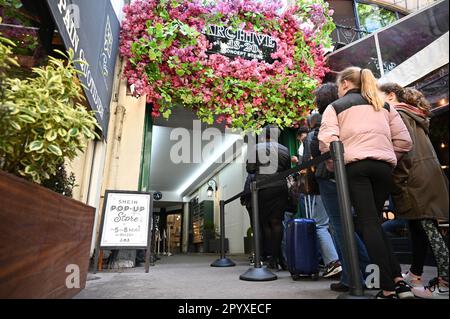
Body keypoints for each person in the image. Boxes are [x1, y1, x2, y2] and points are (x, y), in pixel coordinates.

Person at [318, 67, 414, 299]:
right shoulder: (384, 106)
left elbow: (327, 143)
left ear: (345, 84)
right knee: (374, 223)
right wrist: (385, 154)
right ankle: (399, 281)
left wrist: (334, 167)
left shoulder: (335, 107)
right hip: (383, 168)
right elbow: (404, 141)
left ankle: (388, 288)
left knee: (367, 224)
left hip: (355, 167)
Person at [379, 83, 449, 299]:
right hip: (426, 176)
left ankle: (445, 282)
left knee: (430, 231)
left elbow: (404, 152)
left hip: (414, 179)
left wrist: (397, 182)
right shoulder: (412, 113)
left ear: (391, 95)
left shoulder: (397, 113)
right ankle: (415, 275)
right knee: (420, 228)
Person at [310, 83, 371, 292]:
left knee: (340, 227)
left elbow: (319, 149)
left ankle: (353, 276)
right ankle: (365, 272)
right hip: (354, 173)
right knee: (350, 226)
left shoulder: (327, 116)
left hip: (331, 176)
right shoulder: (352, 115)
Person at [302, 113, 342, 279]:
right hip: (342, 180)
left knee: (320, 225)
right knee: (337, 224)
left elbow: (306, 161)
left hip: (322, 182)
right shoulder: (339, 128)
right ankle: (345, 262)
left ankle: (333, 262)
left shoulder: (312, 136)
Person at [246, 125, 291, 270]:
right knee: (277, 222)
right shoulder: (285, 149)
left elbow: (250, 169)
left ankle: (269, 257)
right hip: (280, 187)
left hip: (262, 188)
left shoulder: (256, 148)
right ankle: (275, 258)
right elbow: (288, 170)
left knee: (265, 223)